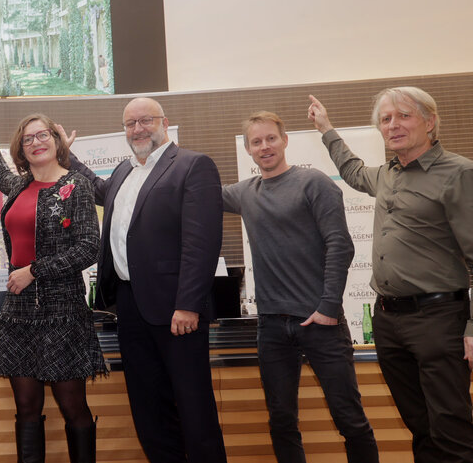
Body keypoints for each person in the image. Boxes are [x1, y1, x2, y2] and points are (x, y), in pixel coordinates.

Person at [308, 88, 473, 463]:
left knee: (452, 431)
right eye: (386, 119)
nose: (393, 125)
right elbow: (350, 171)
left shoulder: (459, 173)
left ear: (430, 122)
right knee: (420, 427)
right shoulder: (386, 175)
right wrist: (326, 128)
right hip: (388, 320)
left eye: (404, 116)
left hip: (439, 319)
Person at [66, 97, 227, 462]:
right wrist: (67, 157)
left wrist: (187, 305)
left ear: (164, 122)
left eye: (145, 121)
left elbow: (201, 243)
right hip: (130, 309)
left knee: (194, 412)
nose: (137, 129)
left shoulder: (192, 165)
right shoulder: (125, 171)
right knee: (149, 411)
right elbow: (98, 189)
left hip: (176, 312)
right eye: (130, 124)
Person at [222, 111, 379, 463]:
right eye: (256, 142)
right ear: (248, 149)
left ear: (285, 139)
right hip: (273, 327)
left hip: (321, 322)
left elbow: (342, 245)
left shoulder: (314, 182)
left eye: (271, 138)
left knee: (350, 420)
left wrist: (326, 307)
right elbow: (191, 192)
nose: (265, 147)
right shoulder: (245, 193)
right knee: (281, 422)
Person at [0, 105, 105, 463]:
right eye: (28, 139)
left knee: (73, 406)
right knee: (26, 408)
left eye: (42, 135)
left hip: (63, 311)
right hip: (19, 313)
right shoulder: (19, 185)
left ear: (57, 140)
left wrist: (34, 270)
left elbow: (89, 248)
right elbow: (0, 172)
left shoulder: (76, 186)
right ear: (22, 148)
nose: (35, 142)